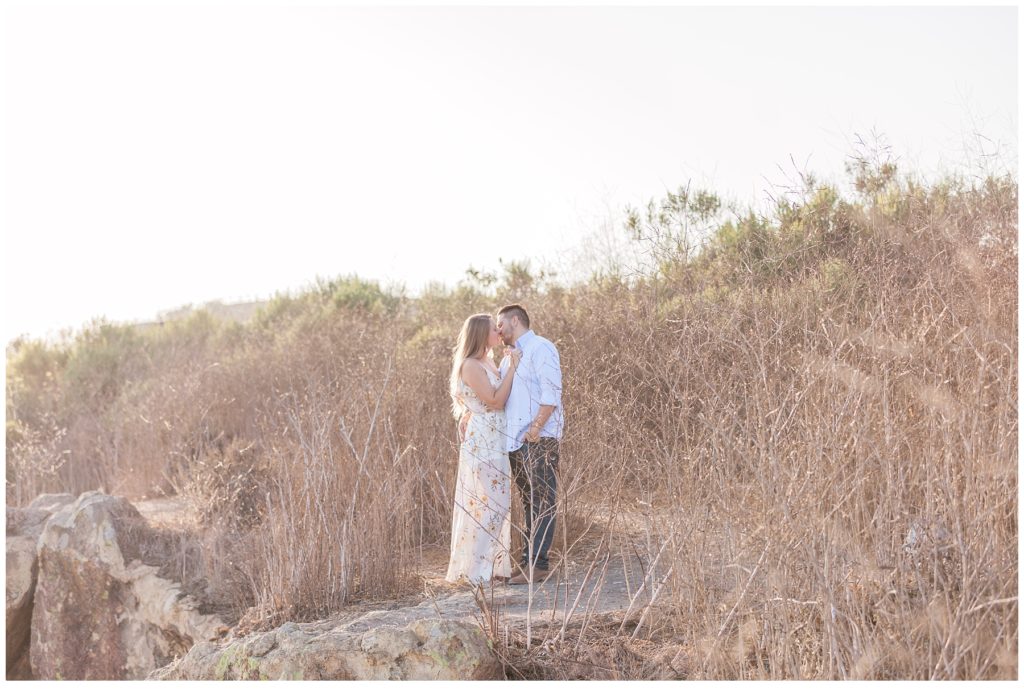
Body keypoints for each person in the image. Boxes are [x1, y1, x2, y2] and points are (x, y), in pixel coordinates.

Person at [445, 313, 522, 586]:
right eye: (493, 329)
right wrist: (512, 368)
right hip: (485, 444)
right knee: (496, 504)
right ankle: (475, 571)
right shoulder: (470, 365)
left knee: (496, 504)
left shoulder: (486, 361)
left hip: (496, 439)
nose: (499, 332)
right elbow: (494, 400)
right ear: (480, 333)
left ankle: (490, 568)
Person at [496, 304, 564, 585]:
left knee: (543, 501)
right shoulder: (506, 359)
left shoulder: (541, 347)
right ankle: (526, 562)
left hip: (539, 438)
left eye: (500, 324)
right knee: (528, 502)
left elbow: (552, 391)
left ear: (515, 320)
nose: (497, 330)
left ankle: (539, 565)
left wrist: (536, 429)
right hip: (515, 441)